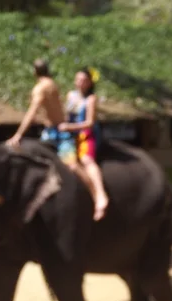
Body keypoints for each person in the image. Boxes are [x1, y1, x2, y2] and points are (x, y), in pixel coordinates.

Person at [58, 68, 109, 221]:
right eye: (78, 79)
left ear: (89, 83)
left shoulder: (91, 99)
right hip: (71, 136)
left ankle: (100, 194)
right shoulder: (71, 96)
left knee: (86, 160)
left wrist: (69, 127)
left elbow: (89, 123)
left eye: (83, 80)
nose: (80, 83)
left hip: (86, 135)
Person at [5, 59, 71, 159]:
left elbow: (32, 112)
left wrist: (18, 135)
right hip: (60, 130)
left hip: (54, 133)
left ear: (35, 72)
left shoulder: (40, 89)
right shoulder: (52, 84)